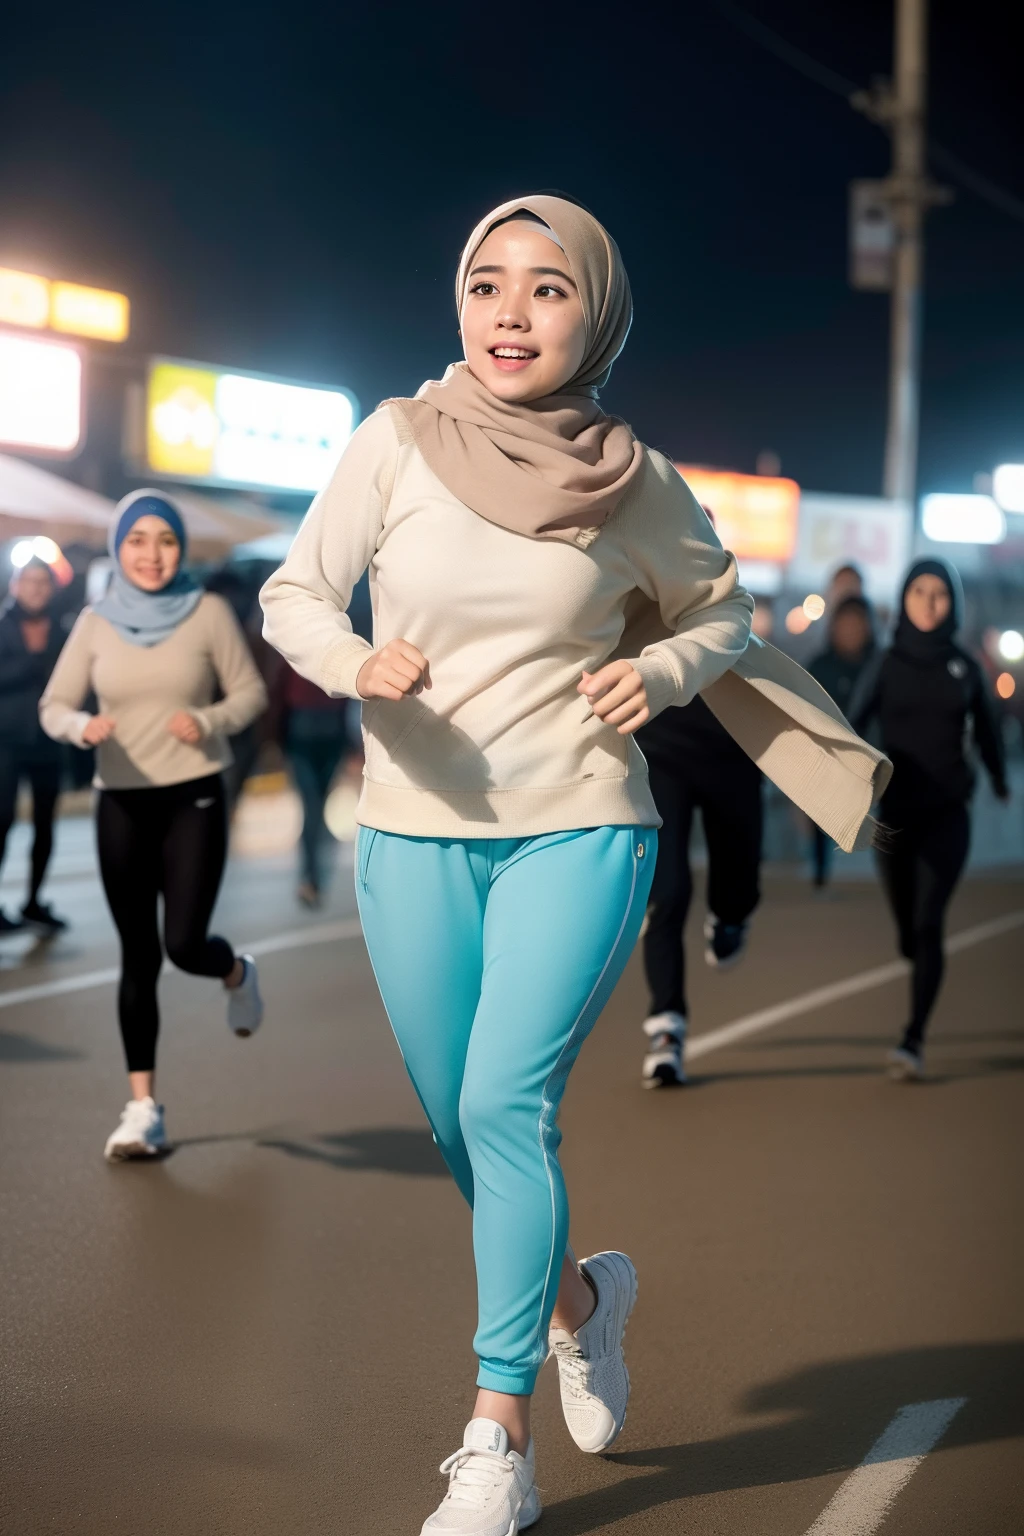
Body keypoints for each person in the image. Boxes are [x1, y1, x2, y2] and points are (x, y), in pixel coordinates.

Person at [260, 194, 889, 1535]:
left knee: (502, 1106)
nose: (509, 311)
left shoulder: (637, 480)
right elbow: (294, 595)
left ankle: (497, 1440)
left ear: (593, 313)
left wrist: (658, 668)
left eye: (546, 289)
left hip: (582, 822)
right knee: (456, 1126)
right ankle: (587, 1304)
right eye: (487, 283)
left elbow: (722, 610)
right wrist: (352, 660)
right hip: (411, 830)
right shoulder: (395, 442)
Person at [40, 491, 269, 1160]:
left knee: (183, 944)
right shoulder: (94, 622)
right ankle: (143, 1109)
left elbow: (249, 692)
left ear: (179, 547)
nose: (150, 553)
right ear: (118, 549)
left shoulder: (209, 613)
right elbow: (55, 704)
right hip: (121, 801)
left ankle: (234, 973)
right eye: (136, 540)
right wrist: (82, 726)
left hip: (193, 795)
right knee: (137, 957)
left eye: (163, 540)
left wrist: (211, 720)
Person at [851, 558, 1008, 1080]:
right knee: (906, 931)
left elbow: (986, 729)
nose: (928, 600)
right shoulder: (886, 662)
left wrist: (999, 780)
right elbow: (851, 724)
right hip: (894, 817)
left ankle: (913, 1039)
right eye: (918, 590)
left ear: (952, 604)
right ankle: (914, 953)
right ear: (904, 598)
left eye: (939, 592)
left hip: (947, 814)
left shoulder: (964, 666)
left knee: (928, 921)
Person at [635, 509, 764, 1088]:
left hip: (732, 756)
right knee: (666, 893)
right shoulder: (632, 601)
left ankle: (731, 916)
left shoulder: (731, 599)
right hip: (660, 758)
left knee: (736, 882)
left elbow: (768, 675)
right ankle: (666, 1029)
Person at [0, 558, 69, 935]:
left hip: (48, 740)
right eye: (30, 581)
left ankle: (33, 902)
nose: (37, 588)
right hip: (6, 741)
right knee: (1, 823)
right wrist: (33, 662)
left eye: (44, 582)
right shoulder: (3, 624)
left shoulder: (63, 628)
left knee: (46, 824)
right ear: (15, 585)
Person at [807, 594, 876, 889]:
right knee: (820, 817)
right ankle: (821, 872)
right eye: (844, 624)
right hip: (828, 759)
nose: (850, 631)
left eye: (857, 624)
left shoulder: (881, 666)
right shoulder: (819, 666)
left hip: (875, 757)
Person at [271, 660, 352, 906]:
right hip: (327, 728)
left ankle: (310, 877)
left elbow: (277, 694)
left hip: (305, 729)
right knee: (315, 806)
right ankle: (313, 875)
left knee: (312, 806)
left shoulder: (293, 650)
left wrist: (274, 739)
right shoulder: (333, 646)